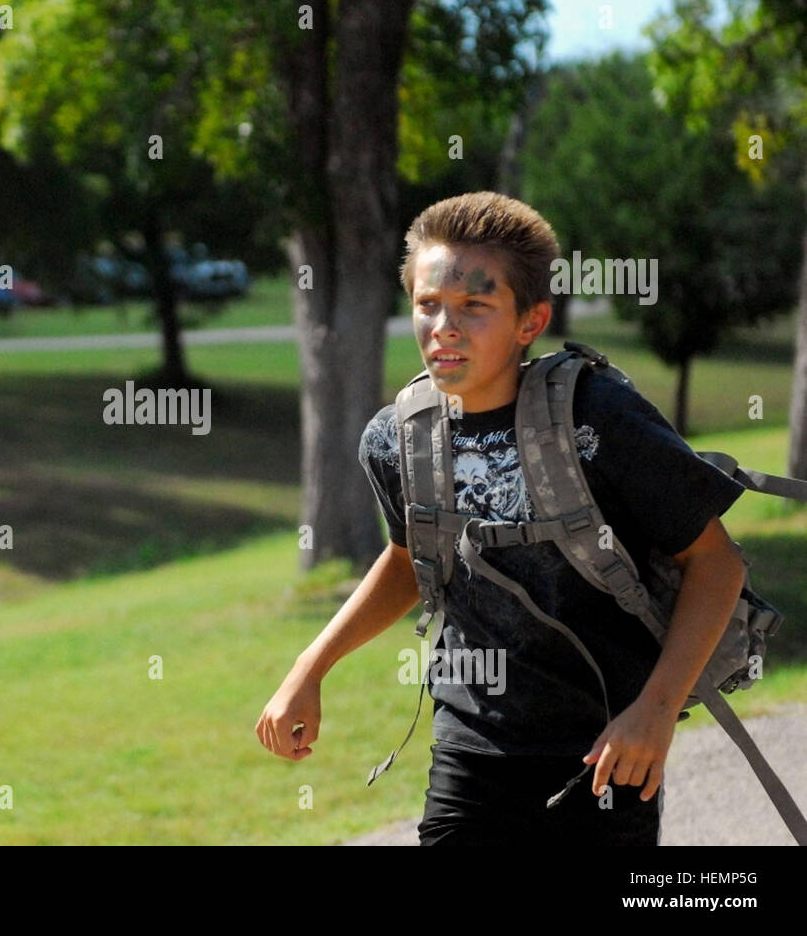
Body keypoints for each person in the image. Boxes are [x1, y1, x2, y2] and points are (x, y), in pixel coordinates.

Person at [256, 191, 748, 845]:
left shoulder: (597, 419)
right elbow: (410, 562)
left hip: (604, 750)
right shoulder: (398, 439)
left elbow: (715, 563)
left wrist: (655, 711)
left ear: (530, 321)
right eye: (428, 305)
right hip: (471, 751)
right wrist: (310, 667)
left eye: (474, 307)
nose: (444, 328)